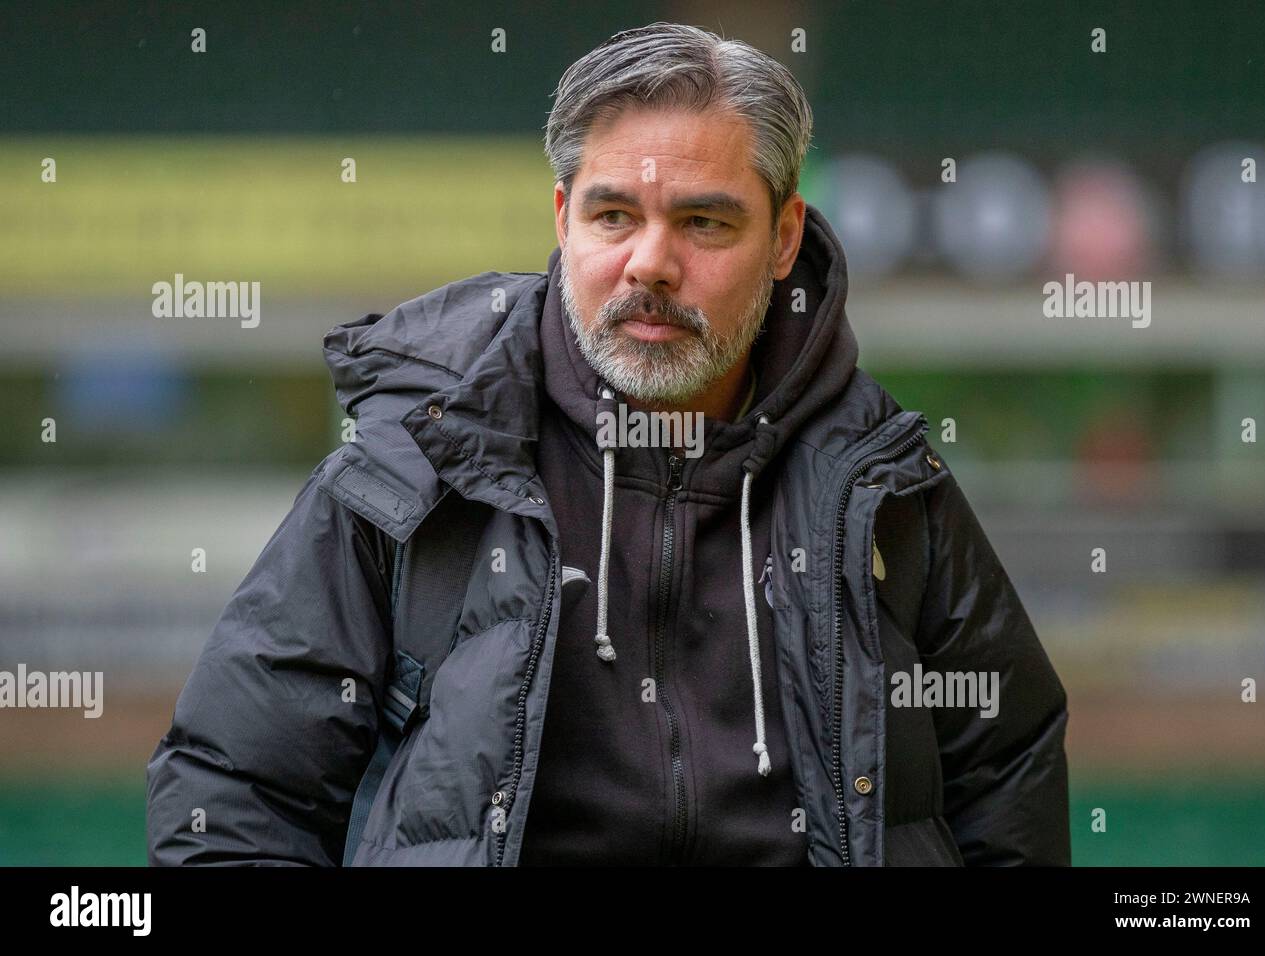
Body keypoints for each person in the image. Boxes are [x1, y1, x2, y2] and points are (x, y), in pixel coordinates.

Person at [146, 21, 1070, 866]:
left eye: (704, 222)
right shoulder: (413, 470)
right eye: (613, 215)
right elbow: (232, 793)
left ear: (785, 236)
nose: (651, 263)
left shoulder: (885, 485)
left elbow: (1007, 780)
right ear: (562, 220)